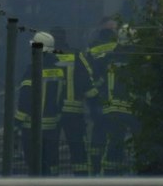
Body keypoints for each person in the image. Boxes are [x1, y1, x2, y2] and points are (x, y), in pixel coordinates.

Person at [15, 31, 68, 176]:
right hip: (52, 126)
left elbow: (25, 100)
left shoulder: (32, 70)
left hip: (31, 127)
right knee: (51, 162)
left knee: (33, 163)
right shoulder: (59, 70)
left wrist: (16, 123)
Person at [93, 25, 138, 175]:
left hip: (112, 108)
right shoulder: (138, 57)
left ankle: (109, 175)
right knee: (140, 144)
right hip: (134, 108)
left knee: (114, 144)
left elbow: (96, 79)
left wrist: (101, 96)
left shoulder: (107, 57)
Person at [54, 26, 96, 175]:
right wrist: (95, 104)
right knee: (78, 148)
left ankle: (48, 178)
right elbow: (88, 79)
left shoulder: (44, 56)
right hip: (74, 112)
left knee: (50, 149)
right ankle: (81, 177)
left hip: (51, 112)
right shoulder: (76, 55)